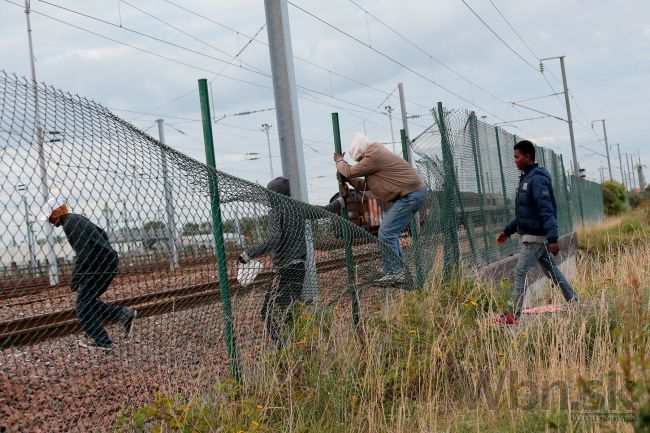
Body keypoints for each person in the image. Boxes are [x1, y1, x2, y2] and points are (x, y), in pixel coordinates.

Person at [238, 177, 346, 346]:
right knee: (288, 311)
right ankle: (296, 345)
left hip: (284, 269)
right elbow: (323, 211)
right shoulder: (299, 208)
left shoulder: (276, 212)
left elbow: (274, 239)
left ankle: (284, 348)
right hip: (298, 268)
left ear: (275, 195)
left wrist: (248, 254)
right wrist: (340, 201)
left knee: (267, 312)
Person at [495, 140, 579, 325]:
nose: (515, 160)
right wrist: (507, 231)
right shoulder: (526, 178)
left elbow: (546, 209)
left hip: (535, 238)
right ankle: (574, 301)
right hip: (536, 236)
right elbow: (525, 215)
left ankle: (513, 315)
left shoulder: (537, 178)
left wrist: (553, 238)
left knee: (519, 273)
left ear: (527, 156)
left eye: (517, 157)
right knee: (553, 272)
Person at [41, 197, 136, 350]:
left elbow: (84, 254)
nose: (50, 222)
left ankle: (103, 342)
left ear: (59, 212)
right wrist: (105, 250)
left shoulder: (70, 224)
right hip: (104, 263)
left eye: (51, 217)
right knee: (88, 300)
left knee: (82, 306)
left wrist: (76, 279)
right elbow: (102, 233)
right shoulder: (76, 219)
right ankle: (123, 314)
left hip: (99, 266)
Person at [333, 132, 427, 284]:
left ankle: (395, 273)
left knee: (386, 232)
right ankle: (397, 271)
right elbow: (366, 185)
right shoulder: (375, 157)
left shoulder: (374, 154)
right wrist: (349, 180)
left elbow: (350, 171)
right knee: (390, 232)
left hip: (411, 194)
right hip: (412, 193)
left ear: (362, 154)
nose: (361, 162)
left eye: (360, 160)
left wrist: (339, 161)